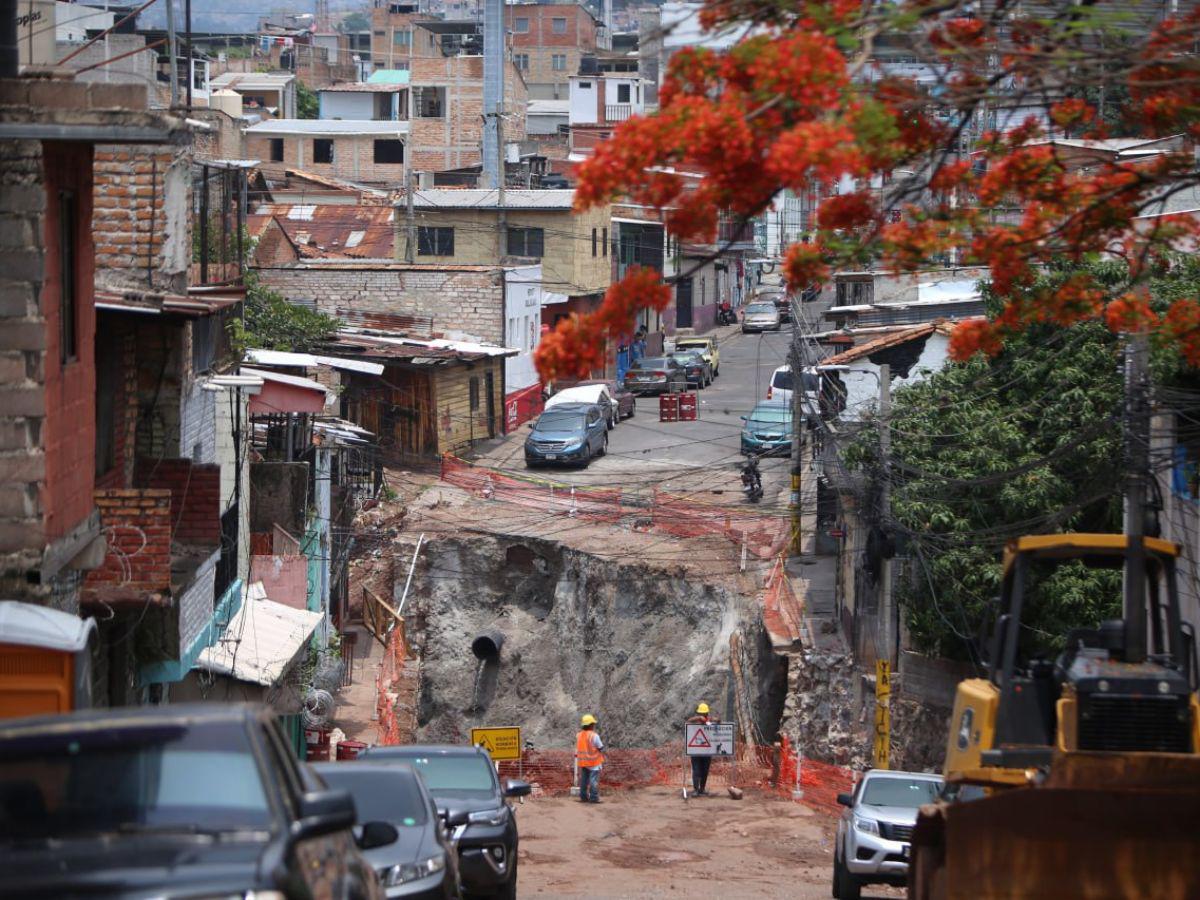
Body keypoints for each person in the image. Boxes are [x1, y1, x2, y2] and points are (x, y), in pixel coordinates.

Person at [685, 703, 719, 795]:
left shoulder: (709, 723)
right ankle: (696, 790)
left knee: (705, 770)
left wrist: (714, 719)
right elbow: (688, 722)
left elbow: (719, 723)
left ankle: (702, 789)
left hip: (707, 751)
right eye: (701, 714)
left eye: (704, 714)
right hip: (695, 750)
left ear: (707, 714)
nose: (703, 716)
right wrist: (698, 719)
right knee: (696, 770)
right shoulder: (694, 723)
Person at [575, 713, 605, 804]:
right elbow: (600, 747)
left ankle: (583, 797)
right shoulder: (594, 735)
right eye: (593, 724)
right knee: (593, 781)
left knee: (584, 781)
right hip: (594, 762)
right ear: (591, 725)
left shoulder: (578, 735)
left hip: (583, 762)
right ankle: (594, 798)